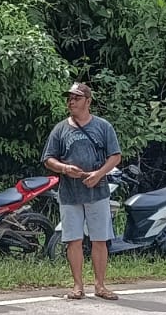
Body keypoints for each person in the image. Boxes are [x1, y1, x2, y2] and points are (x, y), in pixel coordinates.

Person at [41, 82, 122, 301]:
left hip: (98, 191)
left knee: (99, 239)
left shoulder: (103, 126)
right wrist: (65, 168)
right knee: (73, 239)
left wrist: (99, 174)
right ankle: (78, 286)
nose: (71, 102)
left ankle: (100, 285)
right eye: (70, 98)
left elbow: (115, 156)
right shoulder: (60, 129)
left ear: (88, 101)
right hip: (70, 192)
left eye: (76, 98)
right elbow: (48, 159)